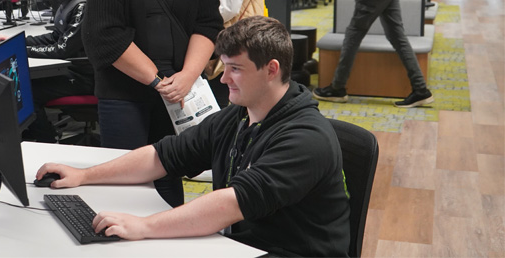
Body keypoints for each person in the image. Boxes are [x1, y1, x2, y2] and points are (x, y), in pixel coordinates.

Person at [38, 17, 350, 257]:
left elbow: (231, 203)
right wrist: (83, 176)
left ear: (271, 70)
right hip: (240, 246)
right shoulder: (240, 115)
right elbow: (162, 156)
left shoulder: (306, 138)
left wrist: (144, 226)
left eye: (235, 69)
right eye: (224, 67)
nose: (224, 79)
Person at [82, 0, 223, 208]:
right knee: (126, 181)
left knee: (168, 174)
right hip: (124, 93)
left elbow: (208, 22)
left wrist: (188, 75)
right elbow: (104, 34)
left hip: (178, 92)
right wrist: (157, 81)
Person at [0, 0, 93, 143]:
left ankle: (46, 140)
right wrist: (18, 42)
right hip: (71, 69)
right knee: (21, 82)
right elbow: (56, 36)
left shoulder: (82, 5)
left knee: (24, 89)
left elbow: (62, 49)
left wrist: (22, 52)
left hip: (84, 76)